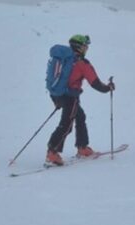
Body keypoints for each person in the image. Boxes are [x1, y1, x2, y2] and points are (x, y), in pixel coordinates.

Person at [46, 34, 115, 165]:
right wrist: (108, 88)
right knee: (66, 124)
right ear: (79, 47)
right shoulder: (82, 63)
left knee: (80, 116)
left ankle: (82, 147)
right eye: (85, 46)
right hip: (70, 97)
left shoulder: (64, 59)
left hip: (56, 94)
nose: (87, 48)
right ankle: (52, 152)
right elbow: (95, 83)